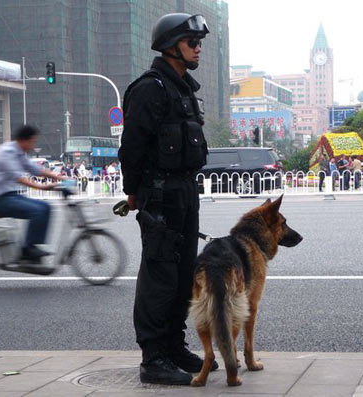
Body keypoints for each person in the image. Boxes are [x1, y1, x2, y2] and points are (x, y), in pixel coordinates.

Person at [118, 13, 212, 385]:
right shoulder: (150, 88)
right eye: (192, 42)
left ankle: (174, 346)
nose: (198, 48)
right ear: (171, 46)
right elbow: (132, 147)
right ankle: (153, 358)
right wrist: (134, 191)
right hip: (159, 194)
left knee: (183, 273)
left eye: (198, 42)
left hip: (186, 191)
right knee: (160, 275)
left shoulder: (183, 87)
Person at [0, 125, 66, 268]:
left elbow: (34, 169)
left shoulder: (19, 152)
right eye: (32, 142)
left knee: (46, 207)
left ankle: (30, 247)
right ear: (23, 140)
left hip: (10, 196)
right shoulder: (7, 153)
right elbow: (19, 178)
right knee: (37, 211)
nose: (33, 145)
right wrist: (42, 187)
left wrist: (58, 176)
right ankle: (27, 251)